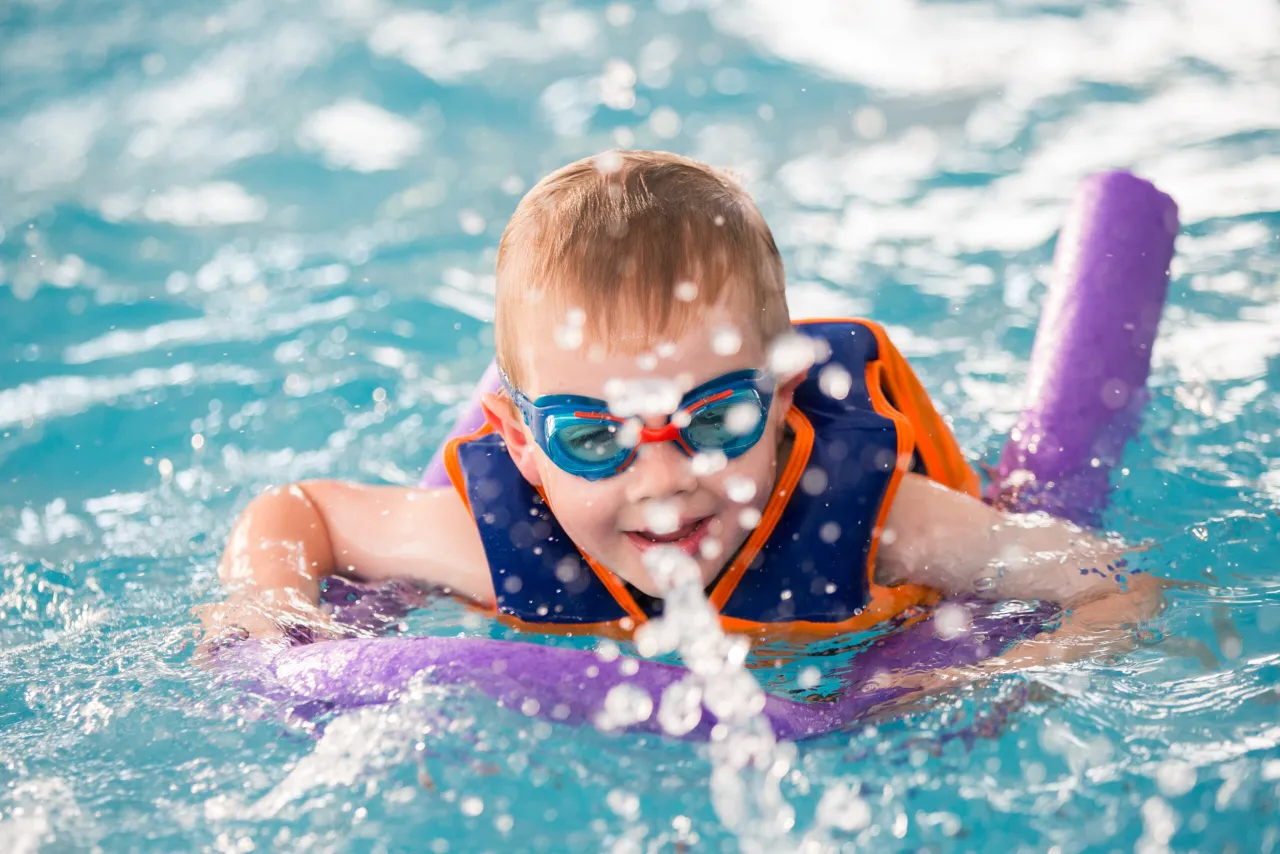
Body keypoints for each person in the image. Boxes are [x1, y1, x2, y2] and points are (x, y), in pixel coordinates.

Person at [199, 150, 1160, 676]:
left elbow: (1112, 583)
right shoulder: (496, 543)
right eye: (591, 436)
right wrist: (265, 608)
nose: (662, 479)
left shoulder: (876, 522)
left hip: (874, 635)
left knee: (1042, 497)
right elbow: (296, 512)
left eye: (711, 422)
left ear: (782, 403)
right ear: (527, 451)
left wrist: (971, 685)